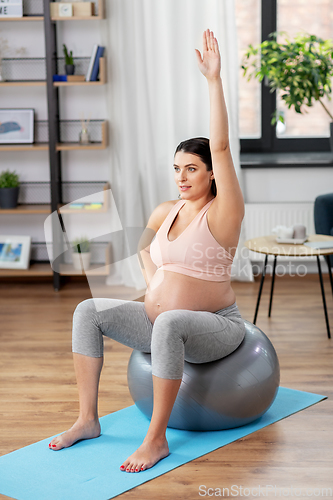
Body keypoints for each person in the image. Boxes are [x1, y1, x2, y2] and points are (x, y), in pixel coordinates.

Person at [48, 29, 246, 473]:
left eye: (191, 169)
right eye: (176, 168)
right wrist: (150, 273)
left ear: (213, 175)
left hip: (215, 328)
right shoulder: (166, 208)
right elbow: (143, 242)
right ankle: (87, 419)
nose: (181, 177)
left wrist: (214, 81)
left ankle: (155, 440)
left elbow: (220, 145)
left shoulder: (223, 212)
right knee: (87, 310)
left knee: (171, 321)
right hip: (160, 325)